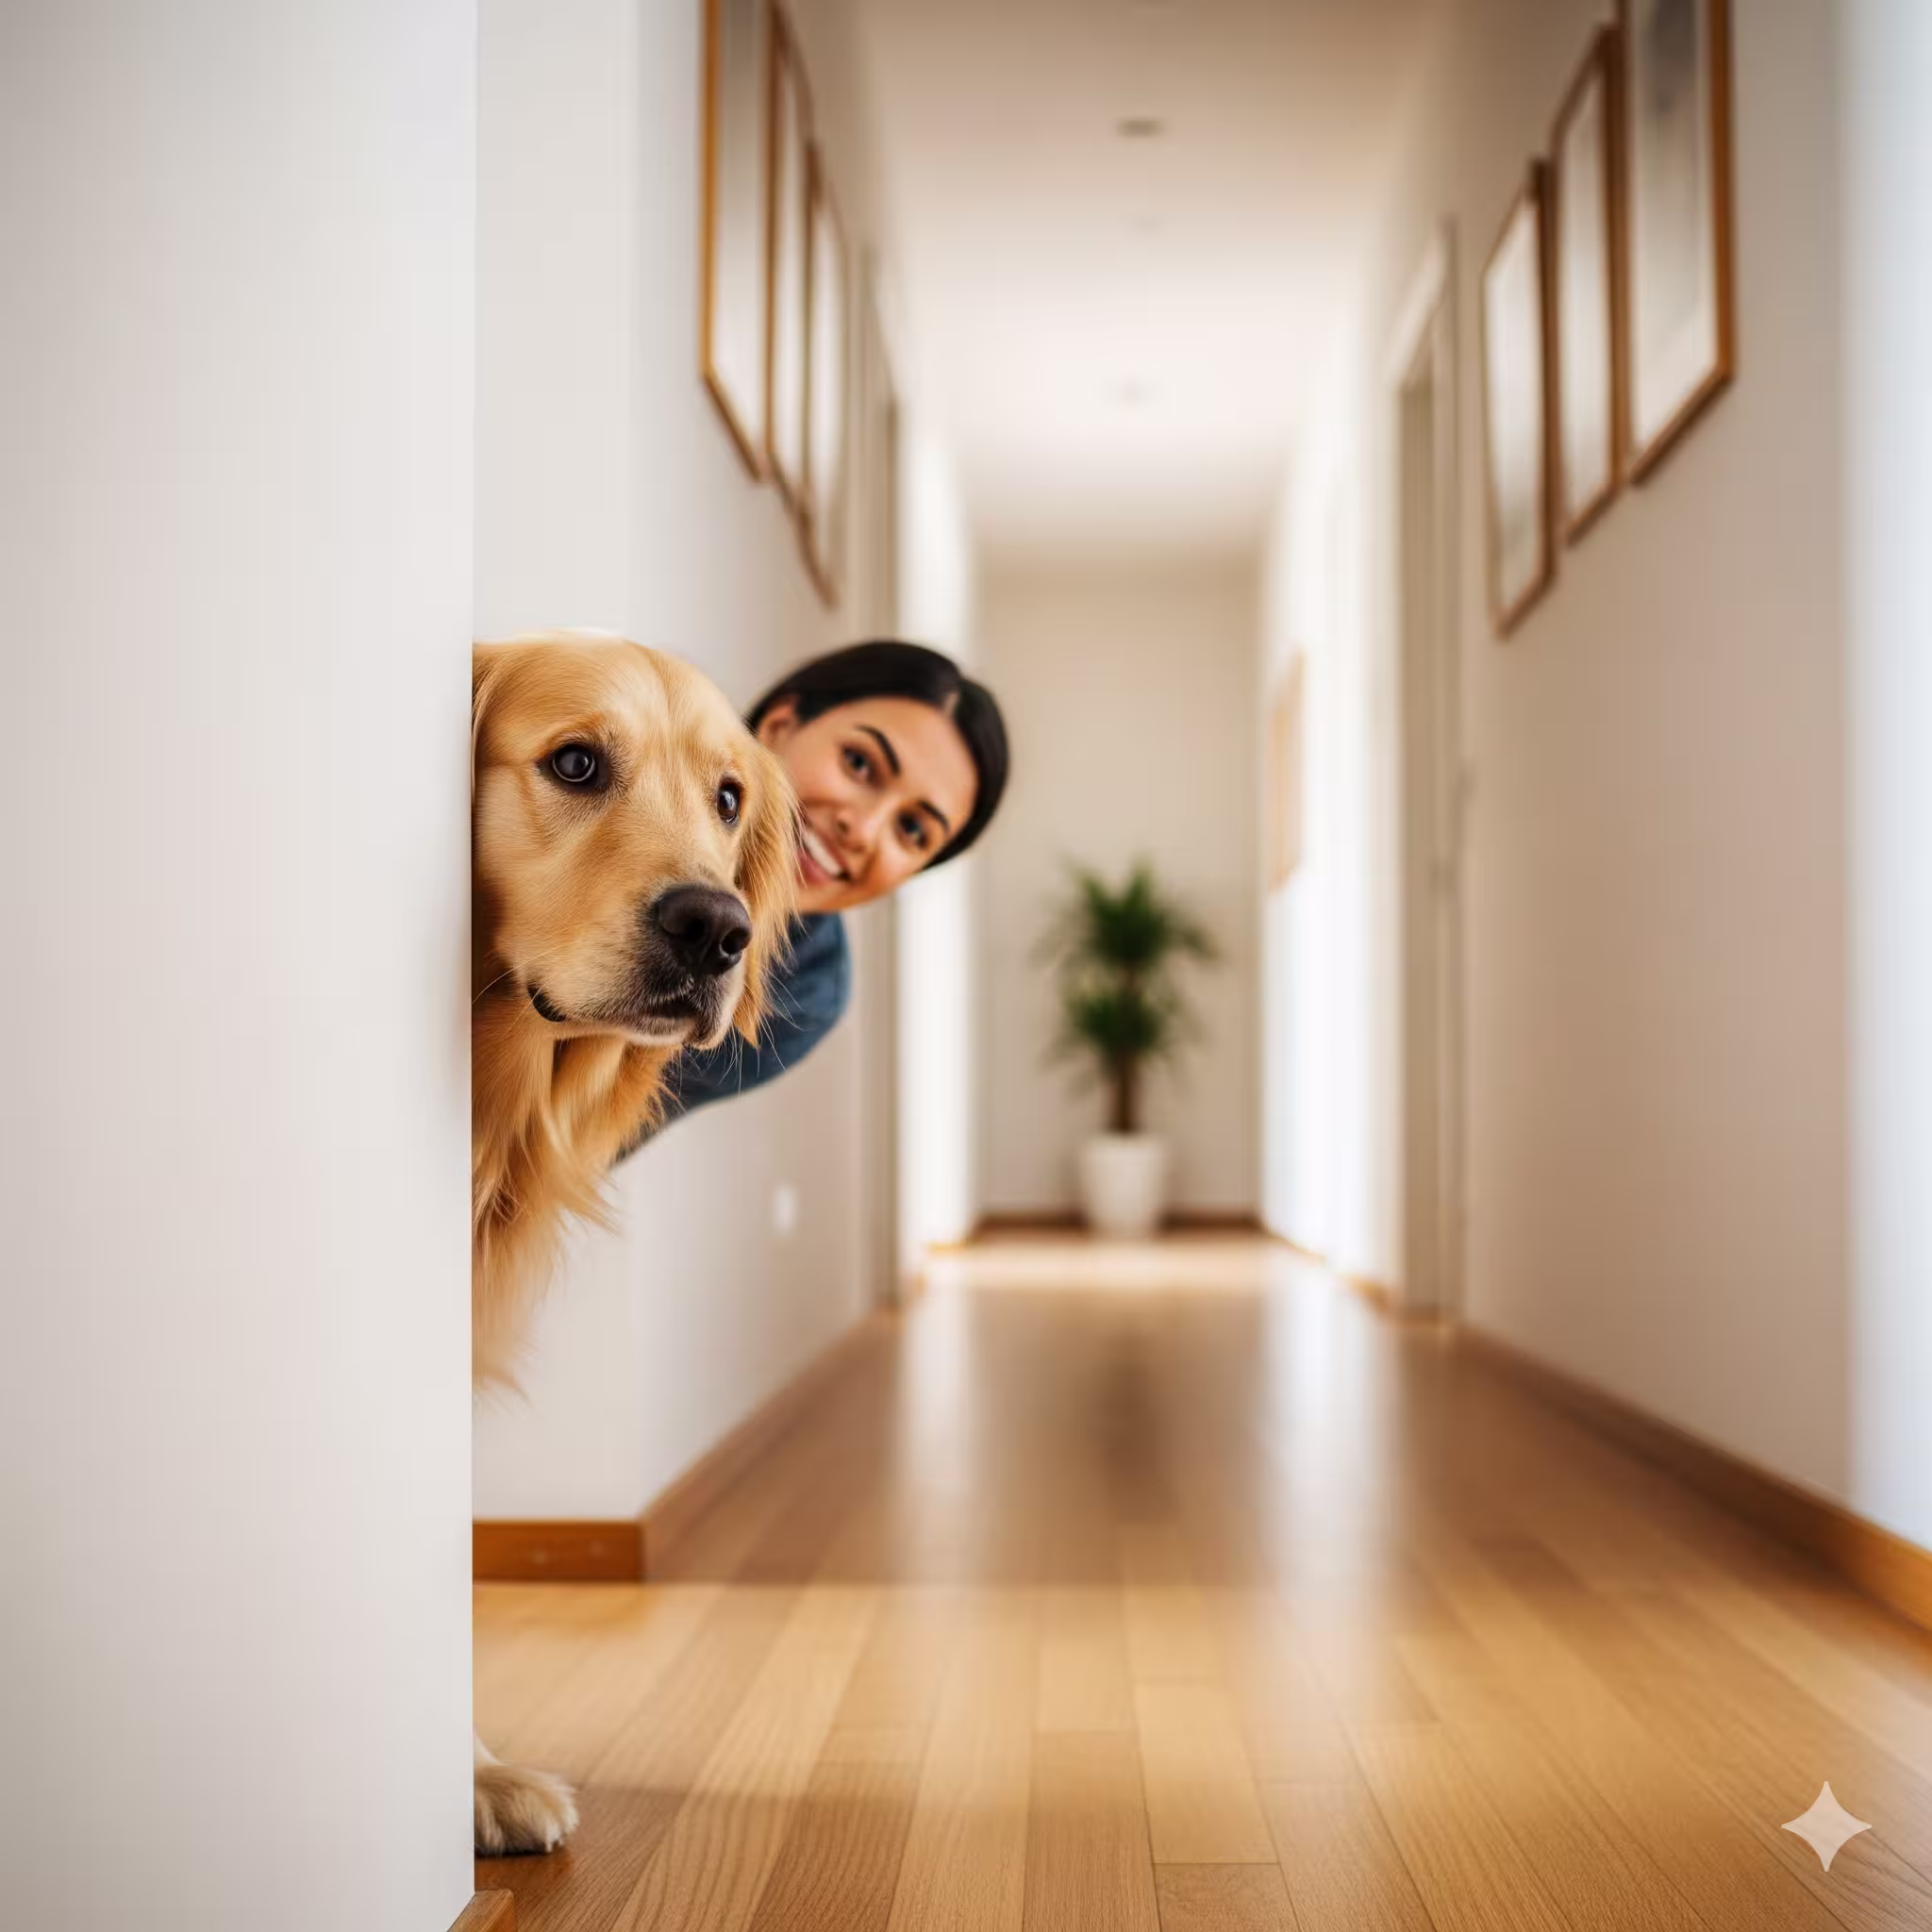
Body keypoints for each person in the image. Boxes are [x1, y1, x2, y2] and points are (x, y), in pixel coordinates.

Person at [642, 640, 1008, 1135]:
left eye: (913, 831)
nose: (862, 829)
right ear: (781, 725)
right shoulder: (618, 778)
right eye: (859, 765)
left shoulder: (805, 994)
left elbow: (582, 1140)